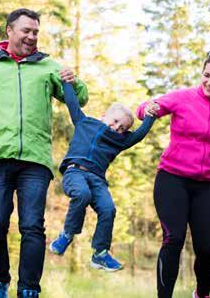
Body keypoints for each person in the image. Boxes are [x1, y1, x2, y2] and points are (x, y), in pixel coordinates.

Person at [0, 8, 88, 298]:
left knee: (32, 226)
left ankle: (28, 290)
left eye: (35, 32)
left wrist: (73, 81)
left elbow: (80, 98)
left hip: (35, 161)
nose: (32, 37)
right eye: (26, 31)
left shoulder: (48, 66)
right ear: (9, 31)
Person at [136, 50, 210, 298]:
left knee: (207, 249)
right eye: (207, 75)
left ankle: (201, 294)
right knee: (173, 240)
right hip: (172, 179)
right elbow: (146, 108)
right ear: (201, 74)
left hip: (209, 187)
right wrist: (147, 108)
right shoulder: (183, 98)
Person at [48, 82, 158, 271]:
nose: (116, 128)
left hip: (97, 180)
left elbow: (139, 134)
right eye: (115, 121)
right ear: (103, 116)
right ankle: (66, 235)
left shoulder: (119, 141)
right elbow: (72, 103)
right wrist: (67, 83)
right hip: (74, 172)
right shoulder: (85, 122)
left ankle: (100, 254)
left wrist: (150, 117)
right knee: (82, 194)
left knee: (108, 209)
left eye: (122, 128)